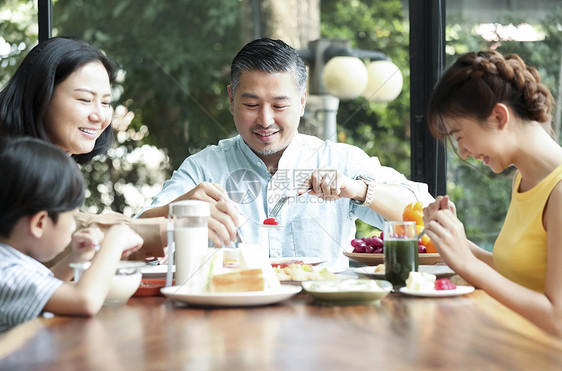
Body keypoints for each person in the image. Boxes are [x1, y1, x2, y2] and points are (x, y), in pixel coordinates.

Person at [138, 38, 434, 267]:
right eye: (251, 105)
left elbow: (426, 215)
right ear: (231, 99)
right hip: (233, 319)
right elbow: (136, 235)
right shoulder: (203, 168)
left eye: (279, 105)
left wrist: (356, 189)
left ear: (302, 102)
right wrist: (180, 209)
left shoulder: (340, 160)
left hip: (324, 322)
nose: (265, 120)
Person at [423, 50, 562, 336]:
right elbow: (516, 270)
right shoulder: (524, 179)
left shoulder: (558, 192)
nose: (462, 153)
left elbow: (557, 319)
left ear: (499, 116)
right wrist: (454, 240)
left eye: (459, 135)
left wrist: (466, 263)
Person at [0, 36, 166, 262]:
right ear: (41, 95)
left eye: (106, 102)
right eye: (85, 99)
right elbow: (53, 235)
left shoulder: (62, 166)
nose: (99, 116)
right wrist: (164, 231)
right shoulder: (10, 164)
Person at [0, 137, 143, 332]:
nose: (73, 227)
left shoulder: (11, 265)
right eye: (72, 218)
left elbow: (44, 287)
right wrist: (115, 240)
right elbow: (85, 301)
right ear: (40, 223)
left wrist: (74, 259)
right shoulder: (9, 274)